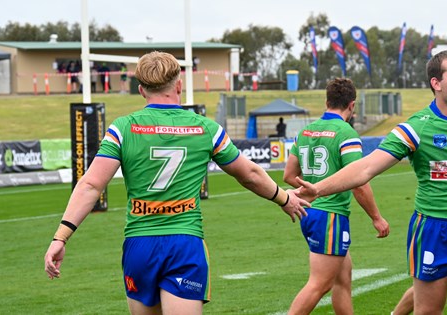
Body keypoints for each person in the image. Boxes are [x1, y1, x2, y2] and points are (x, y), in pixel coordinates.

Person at [44, 51, 309, 315]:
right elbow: (249, 174)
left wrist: (61, 237)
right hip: (184, 244)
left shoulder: (123, 128)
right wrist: (284, 199)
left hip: (140, 246)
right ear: (179, 84)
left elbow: (91, 185)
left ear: (141, 90)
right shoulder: (206, 129)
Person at [295, 50, 447, 315]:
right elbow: (366, 168)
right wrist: (317, 189)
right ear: (436, 83)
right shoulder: (416, 128)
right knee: (428, 311)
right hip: (433, 231)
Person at [283, 78, 390, 315]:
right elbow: (358, 182)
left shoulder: (305, 131)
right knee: (319, 285)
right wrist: (376, 217)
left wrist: (311, 190)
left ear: (326, 101)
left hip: (309, 212)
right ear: (352, 105)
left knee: (343, 279)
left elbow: (289, 175)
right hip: (331, 216)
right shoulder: (346, 133)